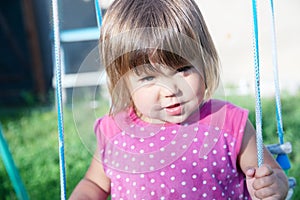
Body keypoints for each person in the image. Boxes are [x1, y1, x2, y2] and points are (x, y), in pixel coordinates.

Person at [70, 0, 289, 199]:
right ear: (123, 80)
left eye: (183, 69)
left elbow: (276, 176)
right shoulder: (115, 131)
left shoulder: (228, 122)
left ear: (204, 59)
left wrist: (271, 186)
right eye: (148, 77)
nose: (171, 89)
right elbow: (94, 184)